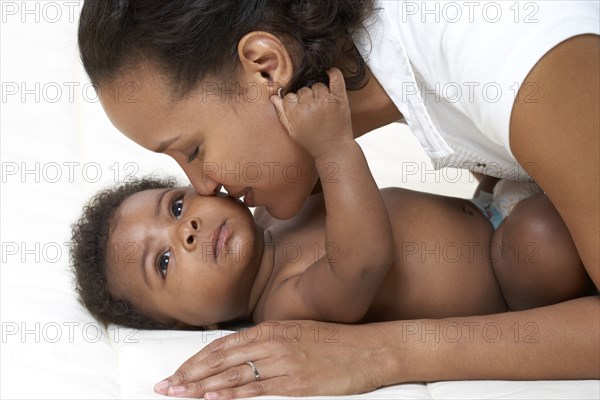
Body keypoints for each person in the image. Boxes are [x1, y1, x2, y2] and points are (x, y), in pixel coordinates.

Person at [77, 0, 599, 397]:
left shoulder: (501, 58)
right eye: (163, 260)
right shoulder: (282, 293)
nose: (204, 188)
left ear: (265, 66)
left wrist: (388, 354)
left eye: (192, 149)